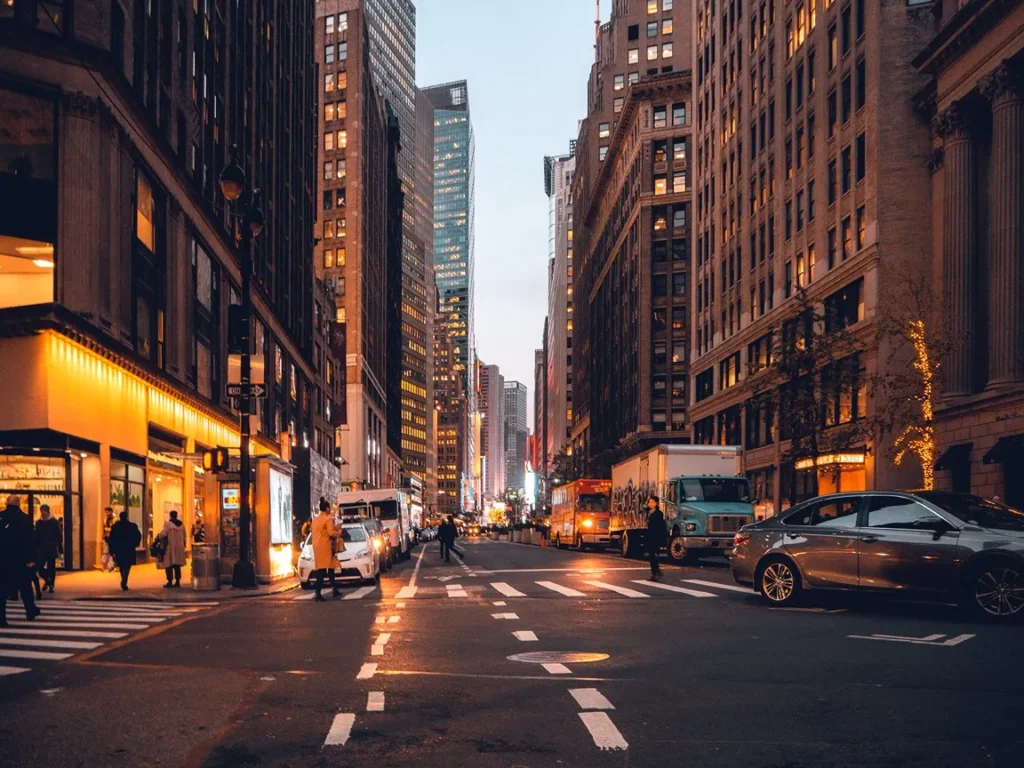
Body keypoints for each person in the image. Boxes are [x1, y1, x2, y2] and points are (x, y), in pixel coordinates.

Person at [0, 495, 40, 627]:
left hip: (3, 559)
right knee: (25, 586)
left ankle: (2, 618)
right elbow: (30, 540)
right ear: (18, 504)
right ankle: (30, 610)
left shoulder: (1, 517)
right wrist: (31, 558)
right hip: (20, 559)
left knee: (2, 589)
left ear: (6, 503)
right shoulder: (24, 519)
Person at [310, 499, 343, 601]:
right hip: (325, 545)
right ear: (327, 508)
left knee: (330, 566)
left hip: (316, 545)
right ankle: (318, 592)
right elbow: (330, 533)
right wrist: (338, 531)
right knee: (323, 569)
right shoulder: (328, 519)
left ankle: (334, 588)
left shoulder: (315, 520)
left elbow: (313, 531)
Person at [108, 511, 142, 590]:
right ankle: (124, 579)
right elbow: (138, 536)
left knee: (121, 565)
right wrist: (135, 543)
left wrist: (112, 550)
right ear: (126, 516)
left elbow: (112, 539)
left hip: (119, 548)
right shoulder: (132, 526)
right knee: (127, 565)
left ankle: (123, 579)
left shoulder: (115, 526)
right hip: (129, 548)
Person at [34, 504, 62, 595]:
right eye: (41, 512)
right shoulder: (39, 523)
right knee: (39, 566)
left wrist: (55, 544)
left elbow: (58, 535)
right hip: (41, 548)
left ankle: (51, 584)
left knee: (51, 567)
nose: (43, 514)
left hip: (51, 548)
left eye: (44, 512)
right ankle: (48, 579)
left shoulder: (54, 522)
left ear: (47, 511)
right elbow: (37, 536)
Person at [157, 510, 187, 588]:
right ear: (176, 515)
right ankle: (177, 581)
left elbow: (163, 534)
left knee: (168, 564)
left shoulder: (168, 524)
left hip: (170, 546)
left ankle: (170, 581)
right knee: (177, 565)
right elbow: (184, 536)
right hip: (179, 547)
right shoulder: (181, 525)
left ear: (170, 515)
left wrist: (157, 537)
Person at [645, 495, 667, 581]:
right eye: (649, 502)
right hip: (649, 536)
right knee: (651, 555)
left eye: (652, 502)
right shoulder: (649, 512)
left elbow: (659, 527)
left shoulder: (658, 513)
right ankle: (656, 571)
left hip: (655, 537)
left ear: (656, 503)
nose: (650, 504)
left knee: (652, 555)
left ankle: (655, 573)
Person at [102, 506, 117, 572]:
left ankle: (110, 566)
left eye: (107, 512)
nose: (106, 513)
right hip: (106, 538)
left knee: (111, 553)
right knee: (105, 551)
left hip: (113, 538)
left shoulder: (115, 520)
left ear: (111, 512)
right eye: (105, 512)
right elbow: (104, 528)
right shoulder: (105, 519)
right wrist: (103, 536)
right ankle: (103, 564)